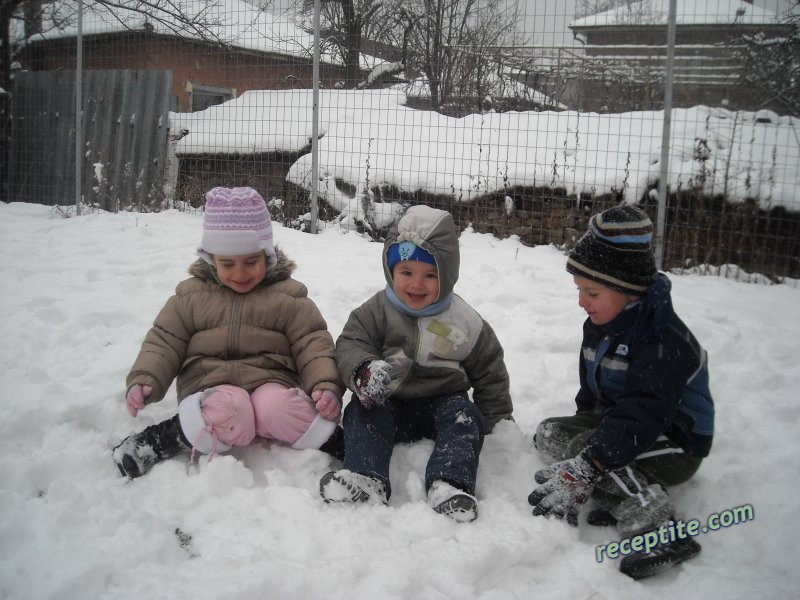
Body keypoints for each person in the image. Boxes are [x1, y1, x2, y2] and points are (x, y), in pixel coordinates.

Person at [528, 205, 715, 579]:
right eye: (580, 289)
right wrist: (589, 429)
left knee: (588, 454)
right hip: (625, 422)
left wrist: (590, 464)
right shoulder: (602, 321)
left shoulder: (663, 341)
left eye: (591, 291)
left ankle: (659, 529)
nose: (582, 301)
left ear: (628, 290)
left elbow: (644, 414)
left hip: (674, 439)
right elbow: (593, 390)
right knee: (551, 433)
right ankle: (615, 488)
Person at [113, 186, 345, 478]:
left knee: (280, 409)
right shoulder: (191, 297)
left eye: (251, 261)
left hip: (270, 382)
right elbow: (164, 341)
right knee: (230, 409)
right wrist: (146, 379)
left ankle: (345, 445)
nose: (240, 273)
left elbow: (312, 343)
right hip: (211, 387)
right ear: (211, 258)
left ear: (268, 254)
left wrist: (325, 385)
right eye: (227, 264)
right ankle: (159, 440)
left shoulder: (288, 297)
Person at [319, 205, 513, 522]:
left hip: (443, 402)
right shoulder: (376, 311)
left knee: (465, 417)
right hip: (389, 399)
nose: (416, 285)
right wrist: (363, 372)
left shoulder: (464, 321)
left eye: (430, 275)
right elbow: (352, 343)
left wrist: (497, 424)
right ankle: (366, 479)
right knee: (361, 410)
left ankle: (449, 484)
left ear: (447, 274)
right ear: (391, 270)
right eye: (406, 272)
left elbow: (489, 370)